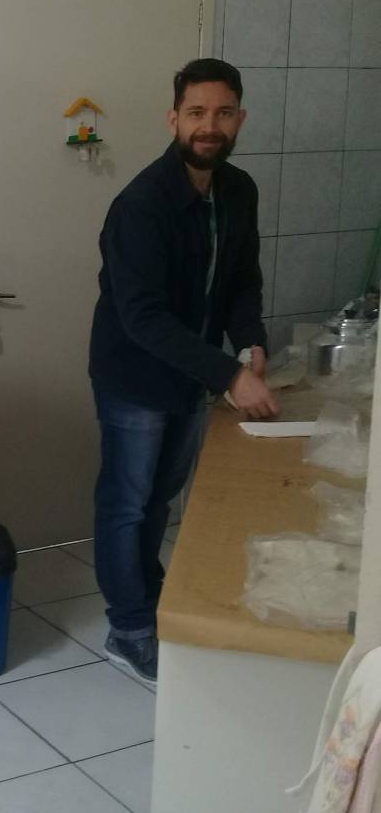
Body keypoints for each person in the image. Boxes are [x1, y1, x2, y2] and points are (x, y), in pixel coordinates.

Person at [88, 58, 280, 687]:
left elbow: (242, 281)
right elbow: (142, 317)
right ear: (173, 119)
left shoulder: (238, 191)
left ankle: (147, 597)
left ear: (239, 119)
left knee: (159, 499)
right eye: (197, 113)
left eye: (222, 113)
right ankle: (128, 629)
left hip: (193, 375)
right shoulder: (141, 205)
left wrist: (250, 342)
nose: (209, 126)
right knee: (126, 502)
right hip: (135, 378)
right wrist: (230, 376)